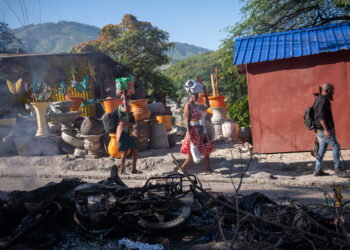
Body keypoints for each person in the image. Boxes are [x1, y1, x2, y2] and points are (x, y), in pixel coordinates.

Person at [179, 79, 214, 174]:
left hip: (201, 129)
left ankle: (208, 169)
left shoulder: (197, 105)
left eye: (198, 95)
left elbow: (207, 105)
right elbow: (187, 121)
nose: (198, 96)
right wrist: (189, 135)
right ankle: (182, 168)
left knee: (206, 149)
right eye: (196, 95)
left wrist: (206, 93)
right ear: (191, 95)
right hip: (193, 131)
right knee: (191, 153)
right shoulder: (188, 106)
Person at [313, 83, 345, 177]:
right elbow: (321, 117)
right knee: (336, 146)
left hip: (320, 130)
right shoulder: (322, 101)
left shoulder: (319, 99)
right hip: (323, 130)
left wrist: (332, 128)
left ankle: (317, 170)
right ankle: (338, 169)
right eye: (332, 90)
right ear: (326, 90)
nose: (333, 92)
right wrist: (327, 130)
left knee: (322, 149)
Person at [116, 90, 141, 174]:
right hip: (122, 131)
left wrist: (131, 117)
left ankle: (134, 169)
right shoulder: (120, 107)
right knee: (125, 151)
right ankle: (122, 170)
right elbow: (126, 110)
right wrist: (124, 95)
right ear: (122, 98)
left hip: (128, 131)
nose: (128, 99)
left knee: (135, 149)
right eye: (127, 98)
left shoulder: (128, 106)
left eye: (129, 98)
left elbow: (129, 115)